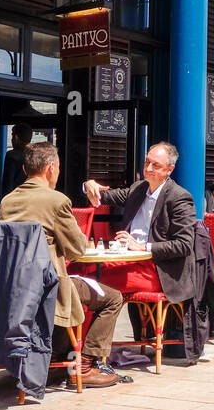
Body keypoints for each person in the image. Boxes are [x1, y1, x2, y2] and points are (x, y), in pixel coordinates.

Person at [0, 142, 124, 388]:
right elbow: (76, 250)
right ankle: (85, 366)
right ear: (51, 168)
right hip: (49, 288)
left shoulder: (8, 201)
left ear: (24, 169)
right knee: (113, 298)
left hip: (13, 289)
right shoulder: (57, 201)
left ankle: (53, 359)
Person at [83, 143, 199, 335]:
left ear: (169, 170)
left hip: (158, 269)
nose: (148, 168)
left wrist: (142, 246)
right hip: (130, 262)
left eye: (156, 165)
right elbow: (105, 195)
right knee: (79, 272)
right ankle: (70, 348)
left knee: (94, 282)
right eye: (147, 162)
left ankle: (84, 353)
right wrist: (88, 185)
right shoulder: (139, 188)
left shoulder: (179, 197)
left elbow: (184, 245)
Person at [0, 122, 33, 200]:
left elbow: (8, 184)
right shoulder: (34, 155)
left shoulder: (12, 155)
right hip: (30, 200)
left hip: (15, 200)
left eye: (12, 136)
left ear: (16, 137)